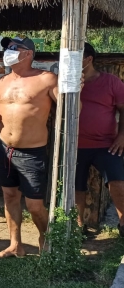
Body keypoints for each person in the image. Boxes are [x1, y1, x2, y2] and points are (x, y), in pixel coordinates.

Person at [0, 36, 57, 258]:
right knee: (9, 196)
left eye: (13, 47)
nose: (8, 50)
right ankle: (15, 245)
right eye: (7, 48)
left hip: (32, 152)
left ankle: (46, 239)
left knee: (35, 206)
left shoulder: (47, 79)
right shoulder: (3, 82)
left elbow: (71, 109)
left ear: (28, 53)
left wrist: (76, 92)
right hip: (5, 149)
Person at [76, 42, 124, 236]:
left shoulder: (111, 82)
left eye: (76, 57)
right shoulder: (66, 82)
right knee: (75, 187)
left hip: (107, 144)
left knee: (118, 182)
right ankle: (78, 226)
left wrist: (122, 136)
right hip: (75, 144)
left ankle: (123, 224)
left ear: (88, 59)